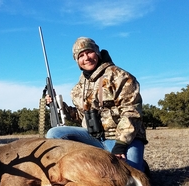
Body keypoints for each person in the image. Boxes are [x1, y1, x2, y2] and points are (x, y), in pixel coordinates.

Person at [45, 37, 148, 172]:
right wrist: (58, 106)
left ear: (97, 53)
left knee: (130, 178)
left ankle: (141, 165)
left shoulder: (119, 76)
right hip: (93, 137)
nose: (86, 58)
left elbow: (132, 112)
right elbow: (80, 116)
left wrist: (121, 144)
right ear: (77, 61)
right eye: (81, 55)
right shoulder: (78, 88)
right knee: (55, 133)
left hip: (120, 139)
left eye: (89, 52)